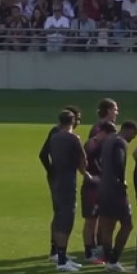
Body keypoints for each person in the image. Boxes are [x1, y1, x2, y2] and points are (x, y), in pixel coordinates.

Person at [48, 110, 99, 272]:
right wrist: (88, 175)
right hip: (67, 181)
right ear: (73, 122)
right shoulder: (73, 138)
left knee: (58, 215)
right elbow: (82, 160)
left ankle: (58, 253)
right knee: (66, 218)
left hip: (56, 179)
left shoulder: (54, 137)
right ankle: (62, 260)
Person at [39, 105, 82, 260]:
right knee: (63, 213)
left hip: (56, 177)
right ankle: (57, 251)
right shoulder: (59, 133)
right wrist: (52, 171)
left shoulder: (59, 132)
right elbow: (43, 154)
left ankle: (56, 250)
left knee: (59, 212)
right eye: (78, 119)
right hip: (61, 178)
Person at [96, 121, 137, 272]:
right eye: (133, 135)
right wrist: (122, 181)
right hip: (116, 190)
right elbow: (119, 162)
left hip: (103, 188)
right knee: (127, 225)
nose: (132, 139)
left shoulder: (108, 140)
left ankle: (108, 259)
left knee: (108, 226)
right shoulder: (120, 142)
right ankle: (114, 259)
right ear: (128, 130)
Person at [81, 121, 116, 264]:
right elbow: (87, 164)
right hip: (91, 186)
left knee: (99, 218)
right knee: (90, 220)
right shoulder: (91, 144)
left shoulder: (103, 145)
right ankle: (89, 252)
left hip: (101, 186)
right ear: (103, 133)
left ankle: (97, 249)